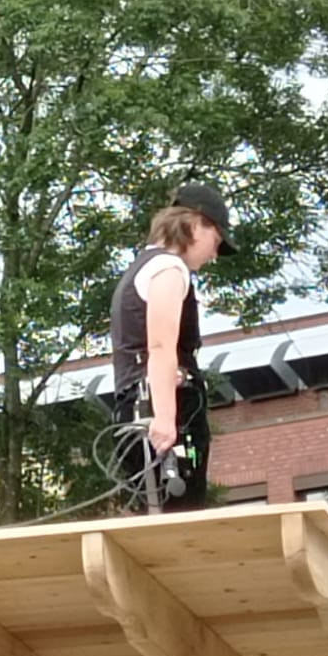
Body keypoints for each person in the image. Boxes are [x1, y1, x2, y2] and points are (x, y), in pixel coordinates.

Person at [110, 182, 236, 512]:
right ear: (195, 225)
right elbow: (161, 345)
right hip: (162, 411)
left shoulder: (141, 268)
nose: (213, 255)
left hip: (134, 405)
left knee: (158, 514)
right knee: (181, 518)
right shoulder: (168, 269)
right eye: (216, 241)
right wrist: (166, 417)